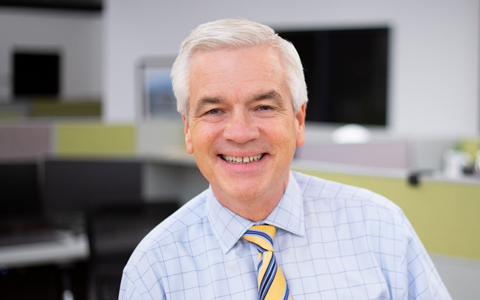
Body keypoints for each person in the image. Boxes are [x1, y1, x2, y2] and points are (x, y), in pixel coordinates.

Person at [119, 19, 451, 300]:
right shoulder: (153, 271)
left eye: (263, 107)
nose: (240, 132)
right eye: (214, 110)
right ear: (189, 130)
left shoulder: (382, 228)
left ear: (298, 120)